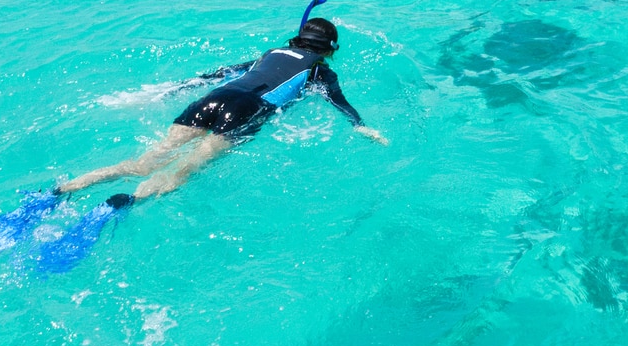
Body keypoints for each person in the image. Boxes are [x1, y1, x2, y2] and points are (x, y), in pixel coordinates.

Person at [55, 16, 388, 208]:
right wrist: (360, 126)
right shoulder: (320, 70)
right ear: (329, 51)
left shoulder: (269, 53)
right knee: (184, 169)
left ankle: (67, 188)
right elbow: (338, 101)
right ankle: (128, 202)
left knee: (143, 162)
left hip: (216, 97)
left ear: (296, 39)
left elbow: (221, 73)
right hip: (247, 109)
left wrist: (173, 89)